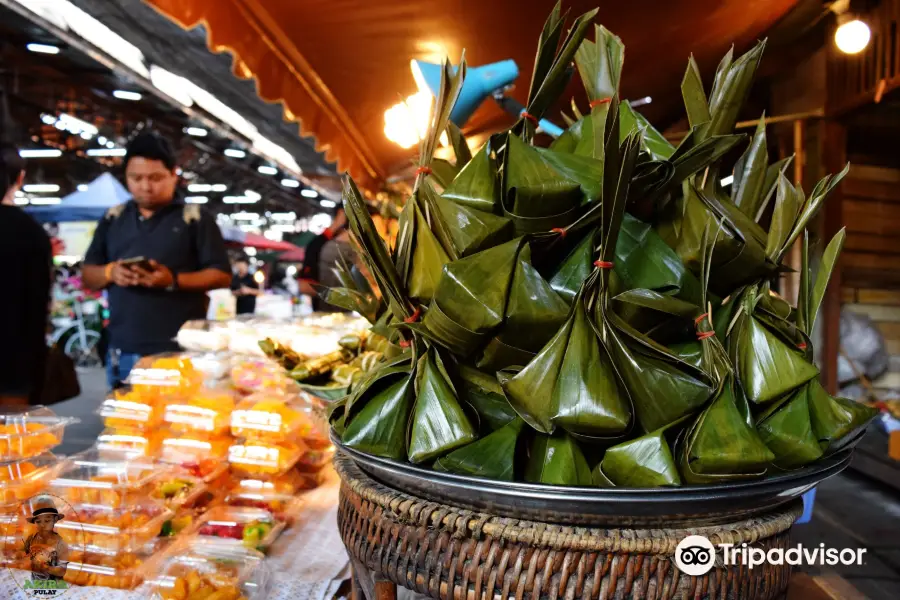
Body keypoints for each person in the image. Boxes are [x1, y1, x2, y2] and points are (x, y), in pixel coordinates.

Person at [83, 132, 231, 387]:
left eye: (155, 178)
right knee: (122, 424)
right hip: (123, 349)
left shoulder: (194, 219)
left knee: (176, 424)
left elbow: (221, 275)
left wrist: (172, 279)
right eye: (136, 178)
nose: (145, 186)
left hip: (180, 351)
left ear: (174, 175)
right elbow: (87, 274)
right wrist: (110, 273)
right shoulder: (113, 218)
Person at [0, 139, 52, 407]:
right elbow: (38, 307)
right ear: (20, 178)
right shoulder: (31, 233)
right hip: (14, 364)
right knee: (10, 444)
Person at [298, 208, 356, 311]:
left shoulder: (356, 245)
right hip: (325, 315)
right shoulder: (318, 245)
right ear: (341, 213)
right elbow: (304, 286)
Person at [23, 495, 68, 583]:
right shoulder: (32, 539)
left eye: (47, 520)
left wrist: (47, 568)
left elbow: (62, 571)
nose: (42, 525)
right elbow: (25, 557)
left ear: (55, 520)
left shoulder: (61, 542)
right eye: (38, 521)